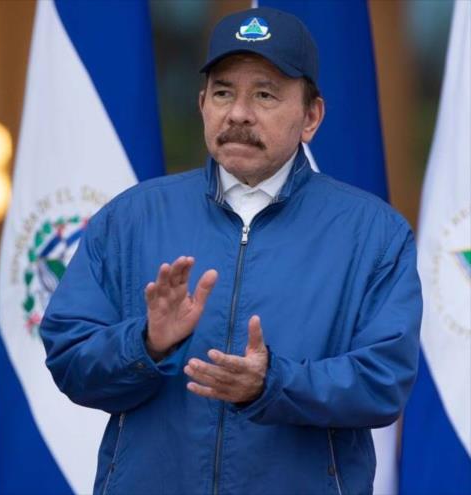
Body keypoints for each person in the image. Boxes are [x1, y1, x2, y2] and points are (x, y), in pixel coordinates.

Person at [40, 7, 422, 494]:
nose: (238, 113)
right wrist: (147, 343)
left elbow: (383, 382)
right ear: (202, 104)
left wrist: (271, 384)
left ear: (311, 116)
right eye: (223, 92)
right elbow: (70, 356)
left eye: (264, 94)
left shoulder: (374, 234)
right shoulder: (131, 217)